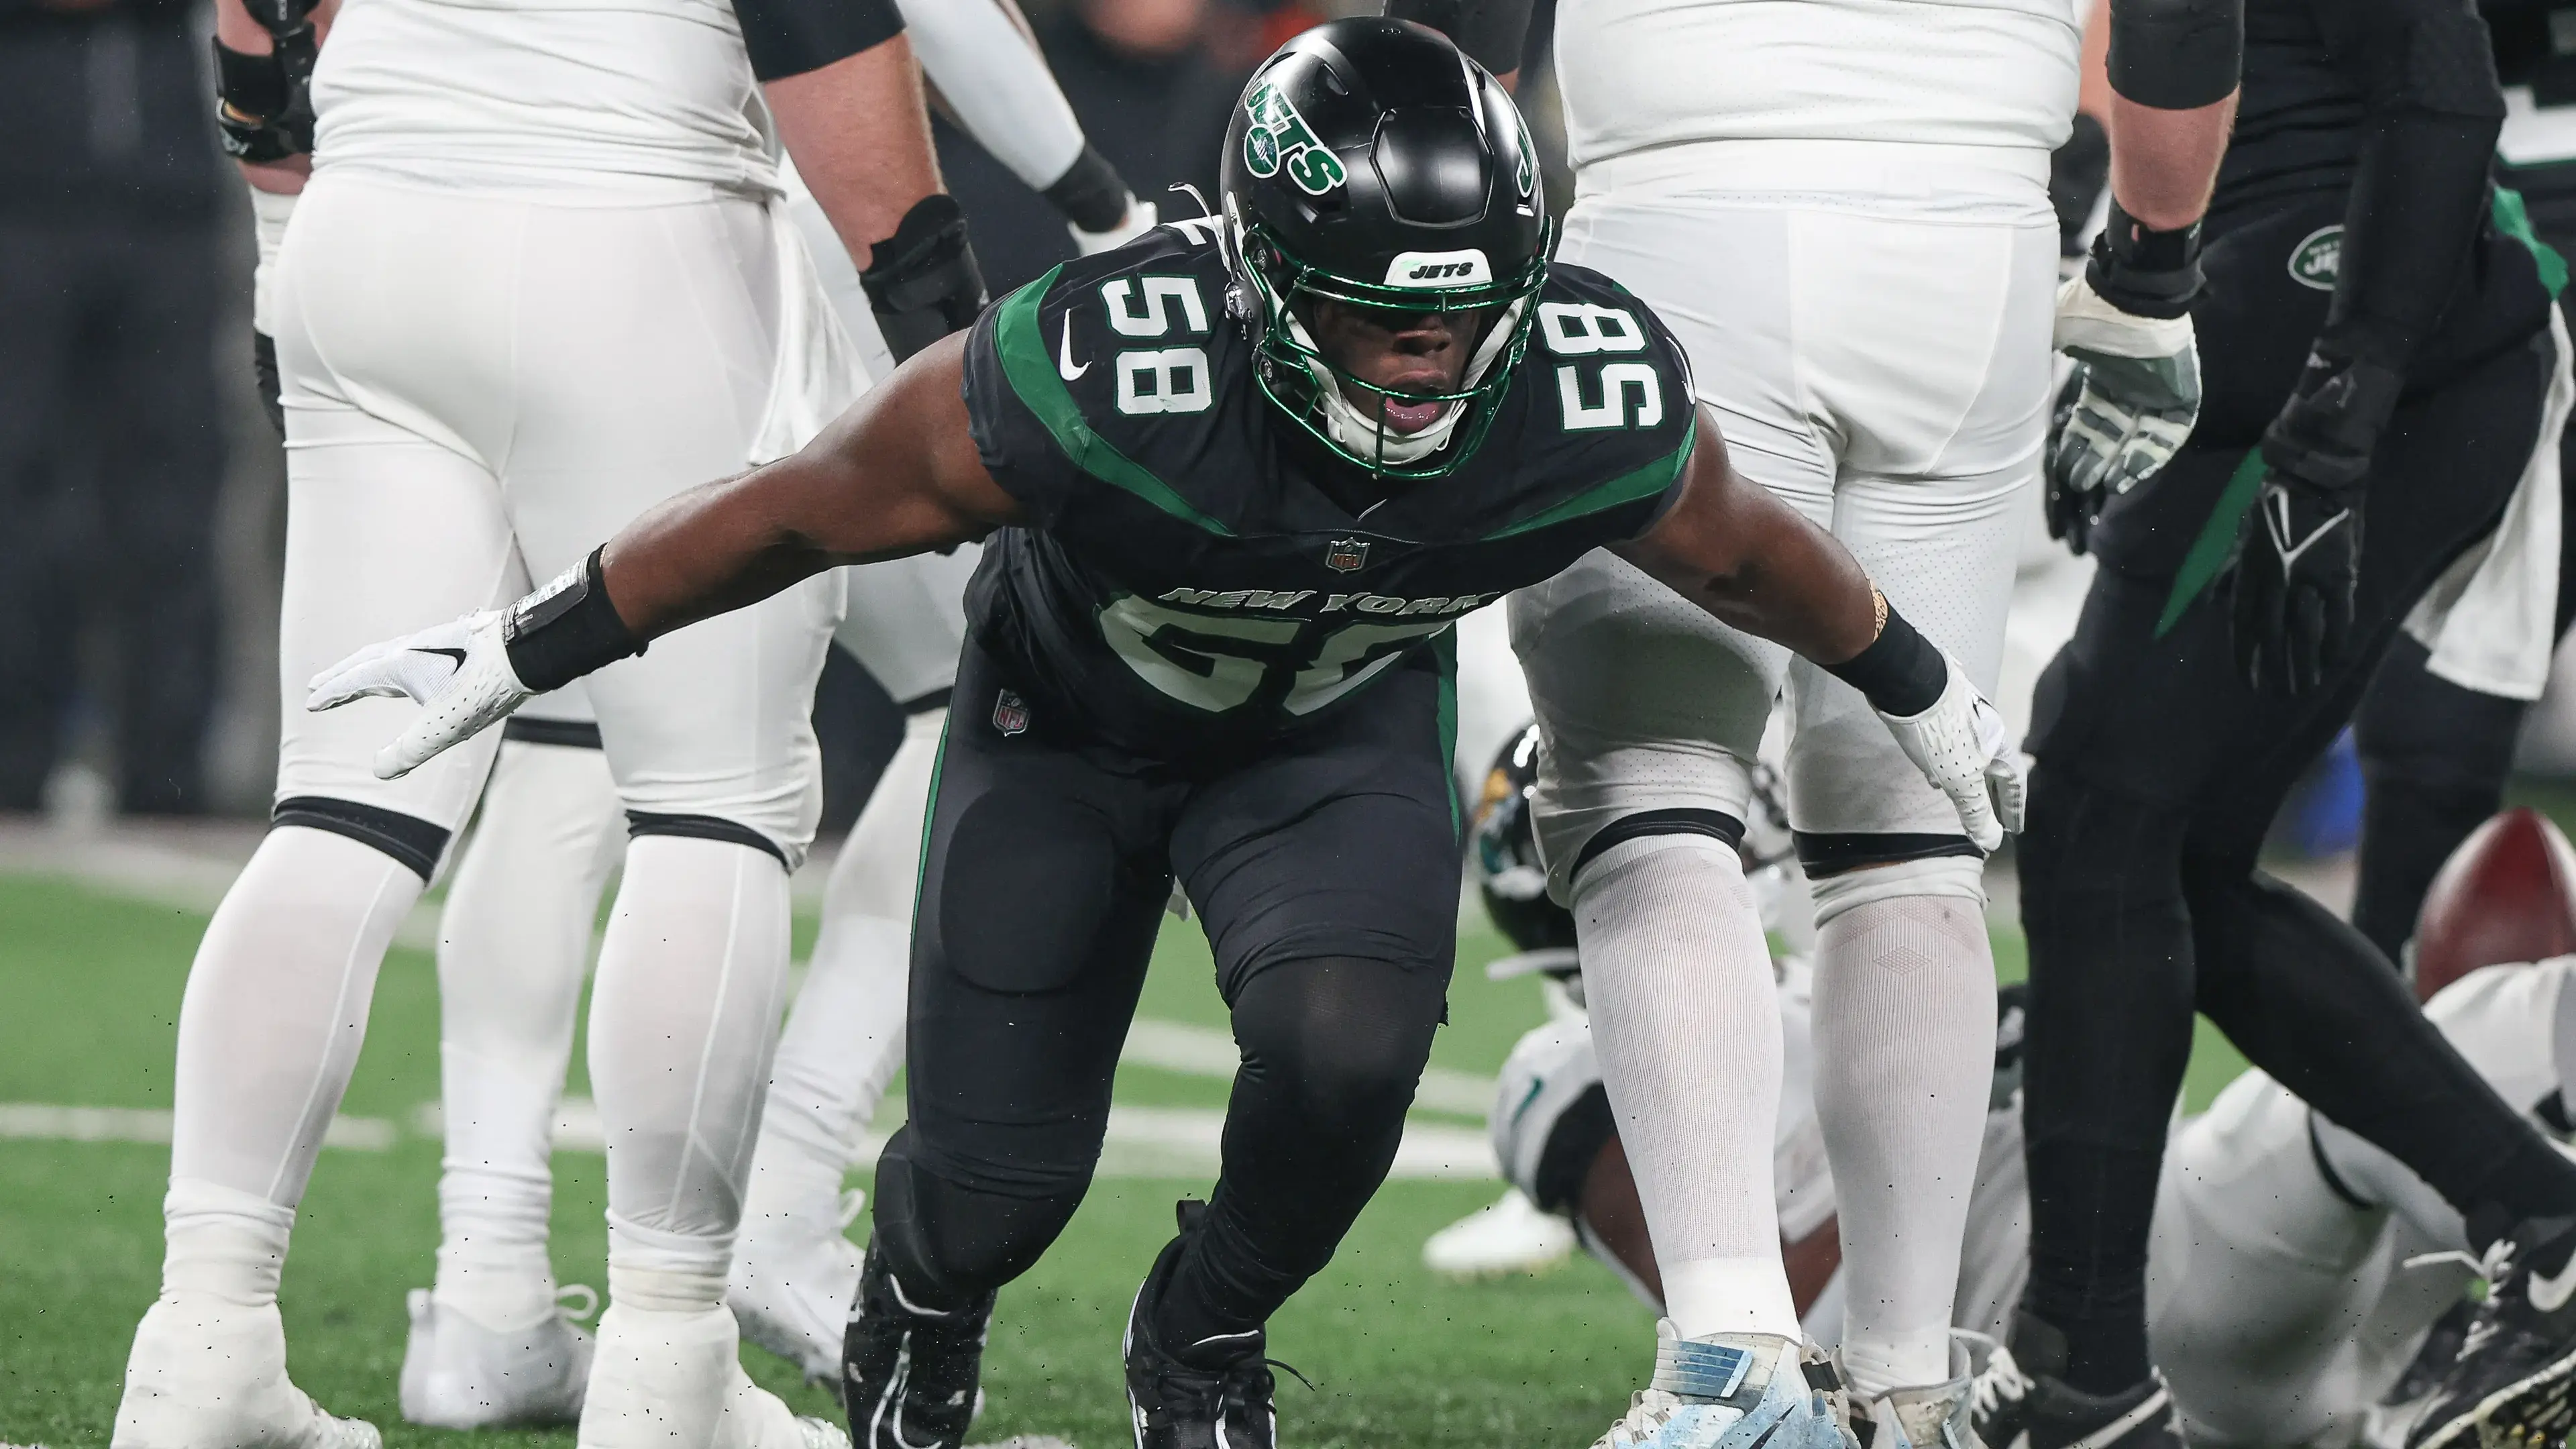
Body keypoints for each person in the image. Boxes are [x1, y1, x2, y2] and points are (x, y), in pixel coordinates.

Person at [303, 21, 2024, 1449]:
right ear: (1265, 276)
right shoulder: (1105, 366)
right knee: (993, 1181)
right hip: (1066, 730)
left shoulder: (1575, 385)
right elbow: (793, 508)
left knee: (1350, 1065)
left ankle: (1198, 1335)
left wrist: (1919, 684)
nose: (1427, 366)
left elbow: (1749, 548)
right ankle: (921, 1288)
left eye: (1462, 312)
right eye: (1378, 313)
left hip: (1329, 742)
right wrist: (532, 639)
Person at [112, 0, 991, 1438]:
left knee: (343, 806)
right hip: (636, 229)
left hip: (370, 230)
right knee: (712, 804)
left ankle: (202, 1344)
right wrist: (958, 346)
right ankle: (664, 1363)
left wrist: (284, 251)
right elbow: (827, 48)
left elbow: (258, 29)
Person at [1378, 0, 2234, 1439]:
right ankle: (1905, 1385)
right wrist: (2151, 271)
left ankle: (1731, 1363)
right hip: (1978, 239)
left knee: (1648, 788)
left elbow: (1457, 27)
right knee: (1904, 839)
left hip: (1683, 201)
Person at [394, 7, 1161, 1422]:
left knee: (565, 740)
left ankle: (485, 1280)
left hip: (452, 227)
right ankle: (774, 1216)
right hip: (728, 233)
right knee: (986, 694)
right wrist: (1103, 209)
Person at [2010, 0, 2576, 1440]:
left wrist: (2340, 407)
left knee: (2098, 816)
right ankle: (2546, 1221)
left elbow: (2443, 90)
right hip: (2297, 318)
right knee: (2155, 848)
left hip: (2351, 329)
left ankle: (2082, 1366)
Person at [1483, 728, 2576, 1449]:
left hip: (2241, 1297)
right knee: (2351, 1111)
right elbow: (1758, 1291)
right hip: (2080, 1334)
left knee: (2527, 1013)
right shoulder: (1564, 1072)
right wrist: (1998, 1051)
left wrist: (2014, 1030)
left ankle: (2499, 1321)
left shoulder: (1843, 971)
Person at [0, 0, 229, 816]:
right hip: (21, 198)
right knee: (18, 497)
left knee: (175, 500)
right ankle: (14, 769)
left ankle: (169, 774)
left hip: (167, 203)